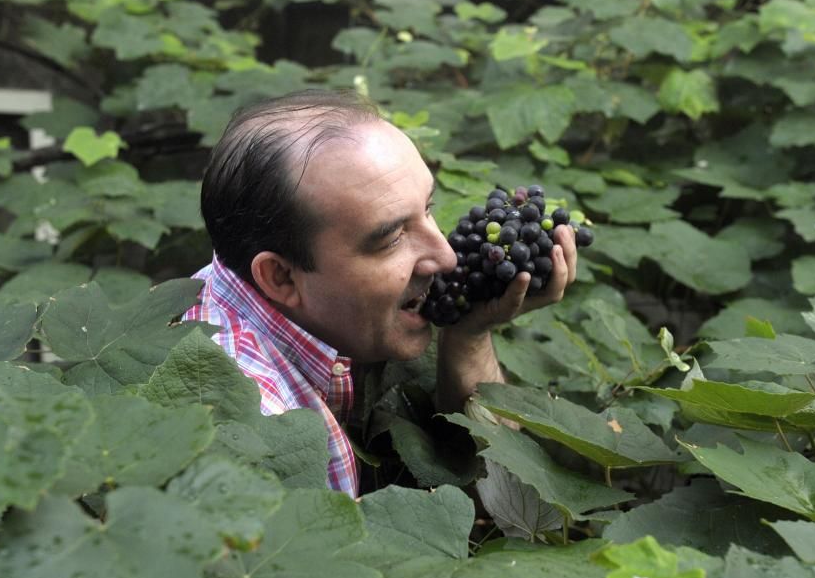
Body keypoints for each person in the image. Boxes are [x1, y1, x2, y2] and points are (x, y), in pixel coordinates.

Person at [184, 89, 577, 497]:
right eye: (390, 238)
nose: (445, 256)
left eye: (428, 208)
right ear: (280, 277)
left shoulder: (316, 309)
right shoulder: (256, 440)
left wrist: (469, 335)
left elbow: (498, 496)